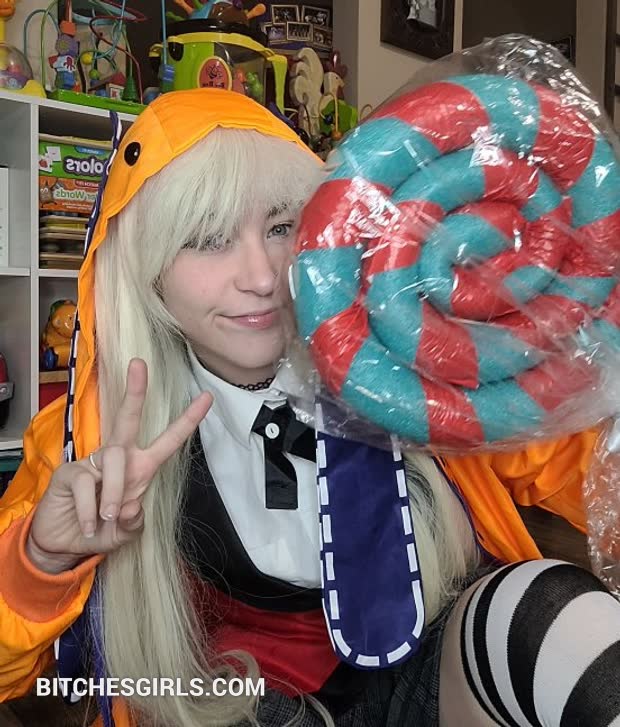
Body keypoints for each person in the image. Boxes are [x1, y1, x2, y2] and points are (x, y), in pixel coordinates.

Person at [0, 88, 618, 727]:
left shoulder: (424, 364)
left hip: (439, 683)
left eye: (280, 226)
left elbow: (587, 471)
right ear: (149, 272)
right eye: (208, 239)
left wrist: (597, 384)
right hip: (252, 705)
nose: (263, 277)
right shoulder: (86, 440)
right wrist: (41, 560)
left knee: (549, 610)